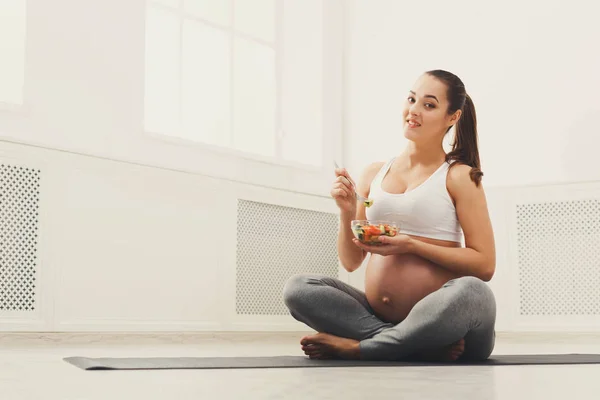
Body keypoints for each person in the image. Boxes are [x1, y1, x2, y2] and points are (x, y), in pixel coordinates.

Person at [283, 70, 497, 362]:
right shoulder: (373, 173)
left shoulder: (459, 176)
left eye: (429, 105)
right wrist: (346, 213)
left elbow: (484, 266)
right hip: (381, 316)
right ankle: (411, 343)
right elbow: (351, 261)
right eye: (412, 99)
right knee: (299, 289)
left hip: (449, 323)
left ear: (453, 117)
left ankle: (362, 347)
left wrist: (411, 245)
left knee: (473, 293)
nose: (414, 110)